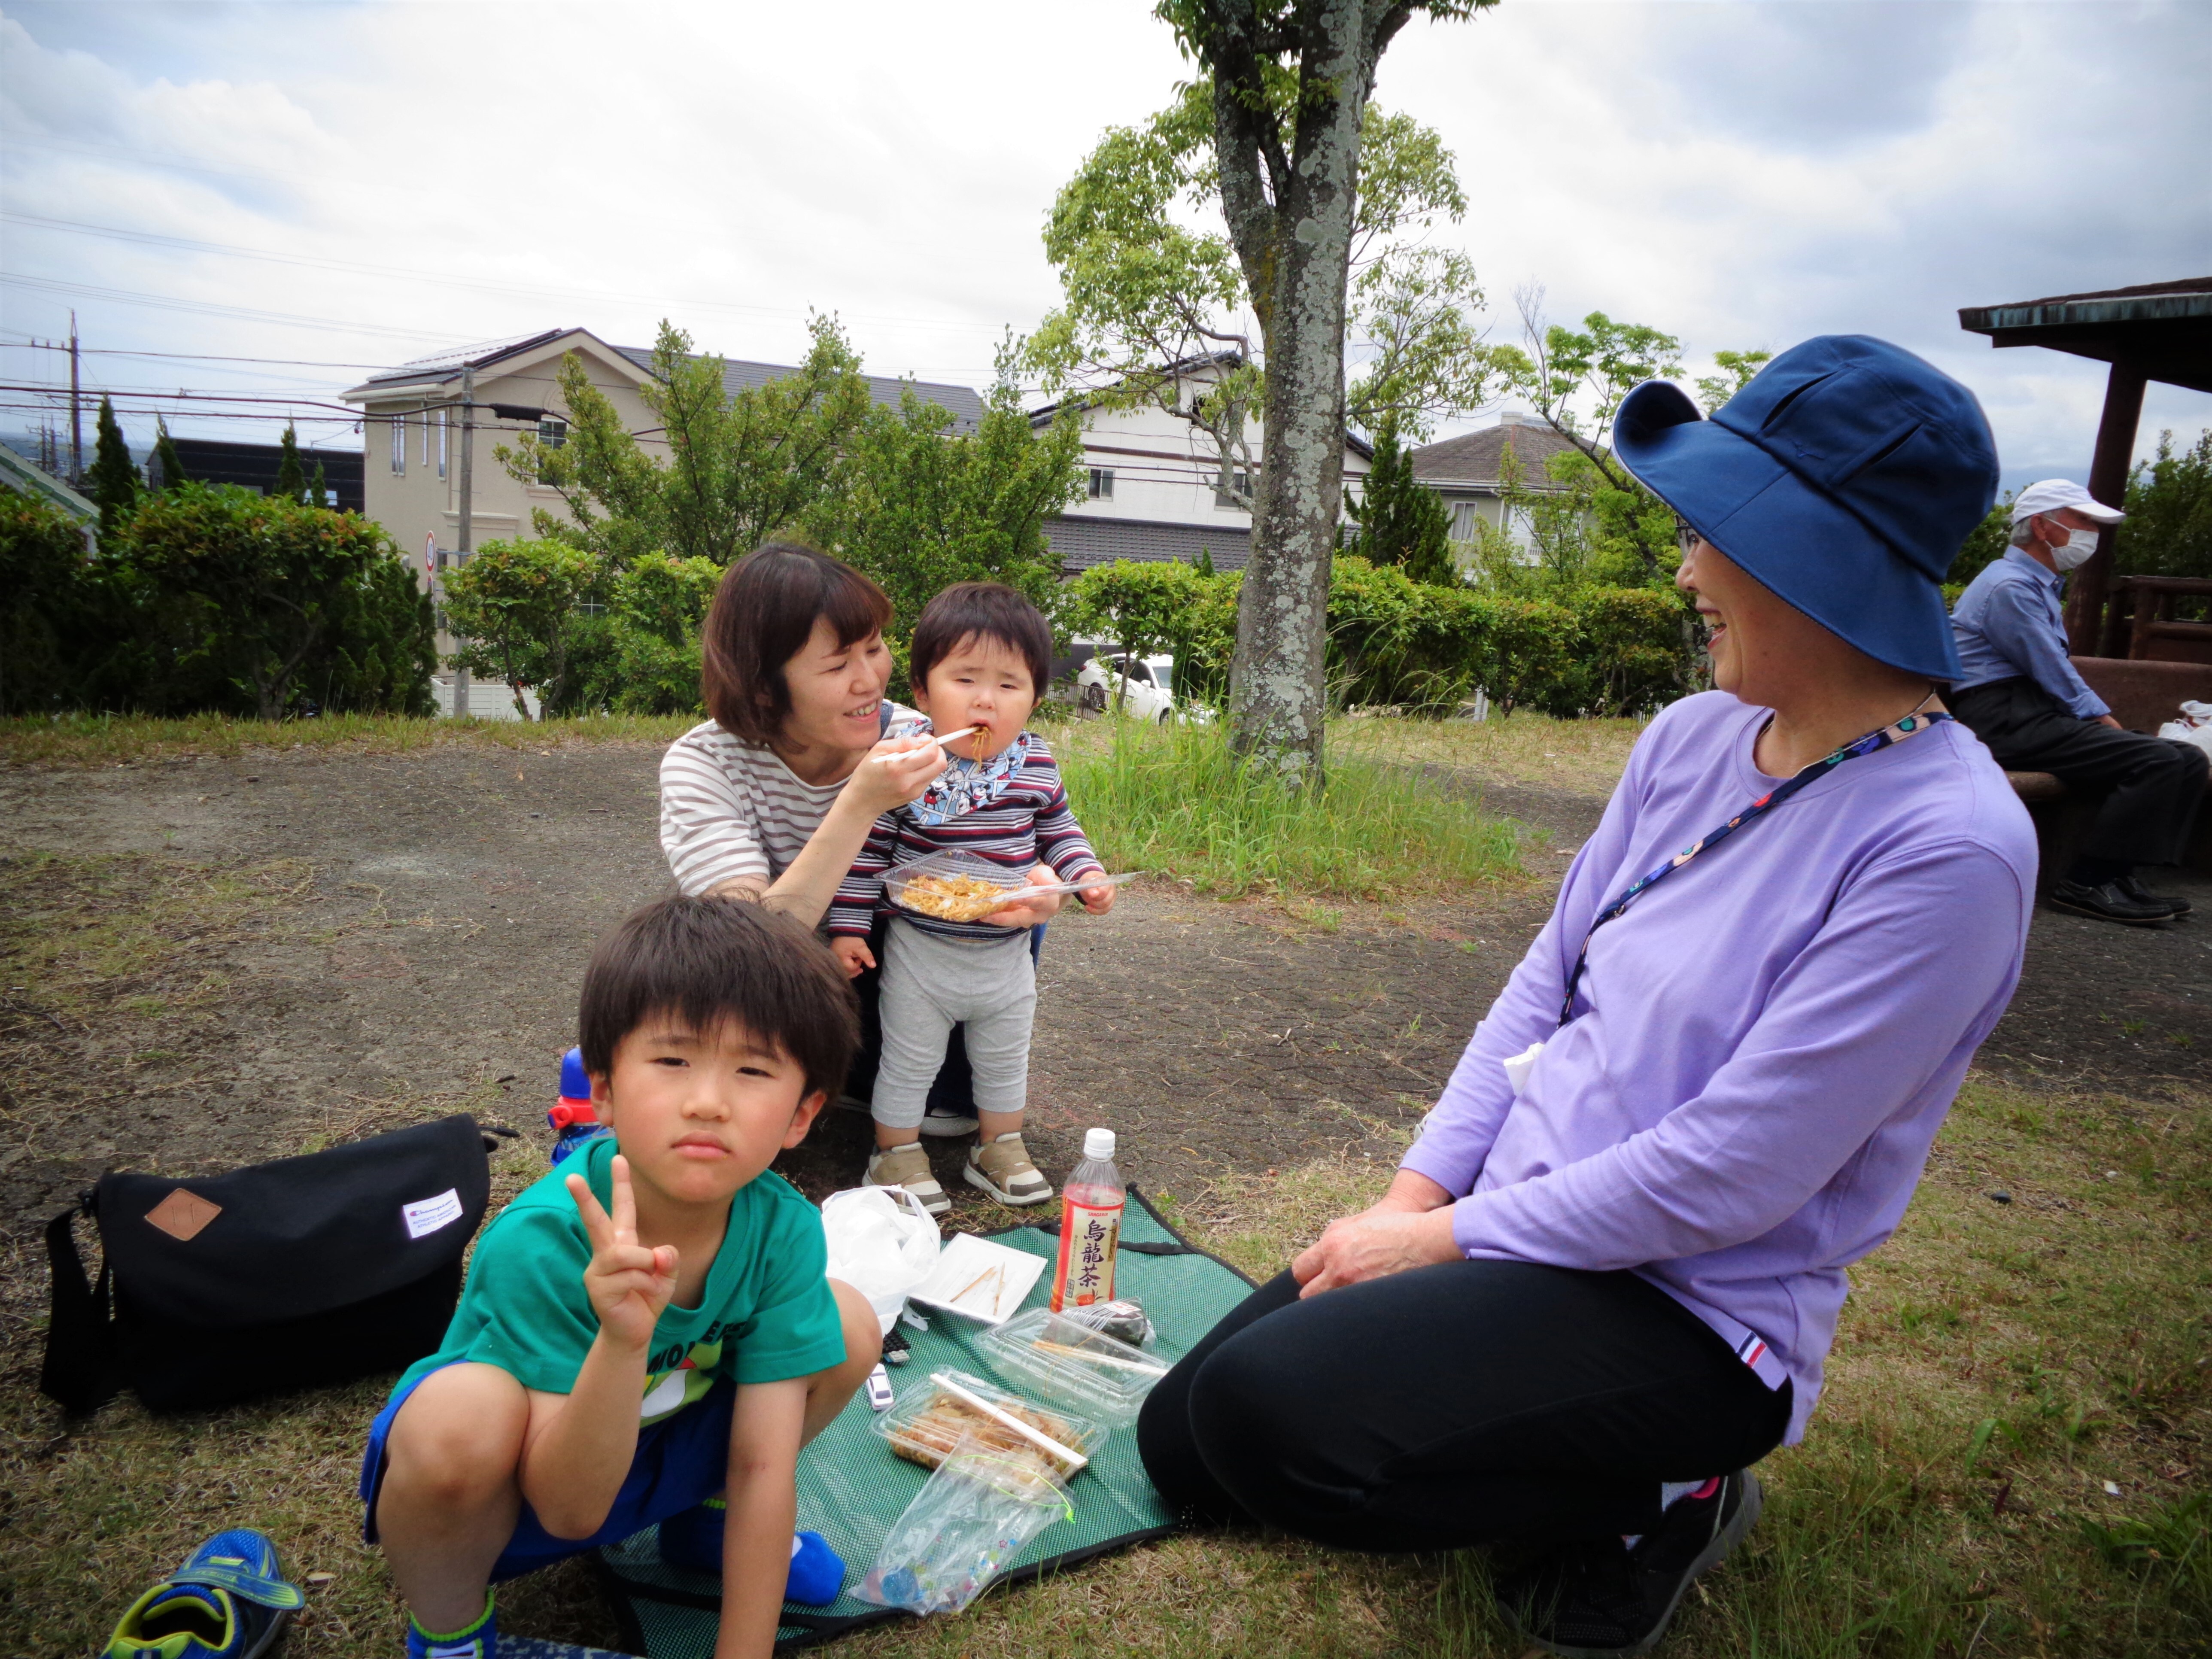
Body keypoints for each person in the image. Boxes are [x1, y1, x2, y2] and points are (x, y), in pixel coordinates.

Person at [1135, 336, 2039, 1658]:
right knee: (1187, 1434)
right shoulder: (1686, 740)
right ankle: (1551, 1441)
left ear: (1809, 554)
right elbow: (1541, 980)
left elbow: (1736, 1170)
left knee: (1275, 1421)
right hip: (1516, 1225)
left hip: (1687, 1306)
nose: (1683, 572)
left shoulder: (1946, 848)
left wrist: (1436, 1250)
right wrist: (1413, 1199)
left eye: (1705, 536)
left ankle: (1667, 1493)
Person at [361, 897, 881, 1659]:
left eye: (752, 1067)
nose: (708, 1099)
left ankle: (704, 1519)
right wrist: (622, 1339)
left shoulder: (782, 1229)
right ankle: (451, 1633)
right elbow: (567, 1508)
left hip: (658, 1453)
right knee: (457, 1415)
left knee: (850, 1323)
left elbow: (765, 1460)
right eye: (672, 1060)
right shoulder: (542, 1242)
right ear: (602, 1088)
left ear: (801, 1114)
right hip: (517, 1497)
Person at [658, 543, 1070, 1136]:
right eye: (836, 666)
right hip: (781, 987)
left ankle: (915, 1084)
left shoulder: (920, 740)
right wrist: (860, 803)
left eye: (874, 649)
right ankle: (839, 1076)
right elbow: (741, 949)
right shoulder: (705, 765)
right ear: (766, 689)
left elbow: (1001, 845)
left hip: (902, 968)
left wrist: (1040, 890)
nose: (869, 680)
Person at [823, 583, 1116, 1215]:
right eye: (965, 679)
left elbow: (1059, 829)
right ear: (924, 692)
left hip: (1007, 952)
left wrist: (1083, 875)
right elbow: (868, 851)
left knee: (1006, 1057)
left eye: (1010, 685)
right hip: (921, 952)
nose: (986, 699)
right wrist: (848, 928)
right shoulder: (907, 763)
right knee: (907, 1057)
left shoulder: (1036, 763)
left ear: (1036, 698)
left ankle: (998, 1144)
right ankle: (894, 1151)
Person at [1950, 479, 2206, 924]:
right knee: (2156, 760)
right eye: (2083, 520)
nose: (2093, 531)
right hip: (2000, 716)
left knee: (2185, 757)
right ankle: (2086, 882)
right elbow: (2051, 669)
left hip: (2028, 712)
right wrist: (2105, 721)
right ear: (2042, 527)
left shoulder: (2037, 585)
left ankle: (2119, 874)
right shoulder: (2008, 586)